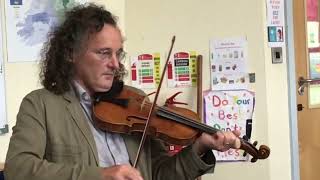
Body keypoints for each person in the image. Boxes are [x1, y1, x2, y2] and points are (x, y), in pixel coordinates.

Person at [4, 3, 241, 180]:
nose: (115, 64)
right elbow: (19, 168)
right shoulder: (41, 105)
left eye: (118, 54)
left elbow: (161, 174)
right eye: (104, 53)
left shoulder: (135, 100)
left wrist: (200, 147)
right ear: (71, 54)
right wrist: (100, 175)